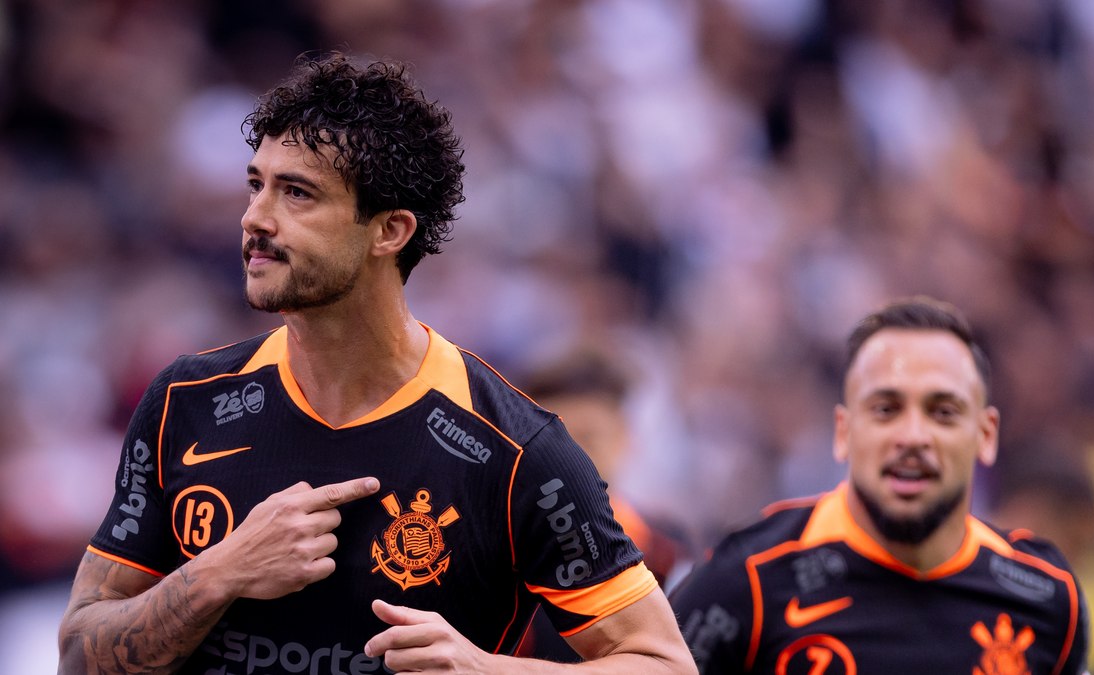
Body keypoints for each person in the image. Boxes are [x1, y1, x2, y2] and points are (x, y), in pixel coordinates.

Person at [57, 52, 696, 675]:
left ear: (389, 231)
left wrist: (485, 670)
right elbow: (80, 655)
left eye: (297, 194)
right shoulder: (184, 400)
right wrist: (219, 573)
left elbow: (664, 663)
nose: (256, 218)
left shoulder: (519, 450)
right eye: (257, 186)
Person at [669, 296, 1090, 674]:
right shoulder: (748, 580)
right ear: (843, 431)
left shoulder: (1048, 600)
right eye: (886, 409)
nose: (912, 437)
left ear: (986, 434)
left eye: (942, 412)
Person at [513, 346, 691, 662]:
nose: (572, 460)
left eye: (588, 438)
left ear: (627, 438)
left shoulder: (670, 553)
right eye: (554, 443)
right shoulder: (503, 556)